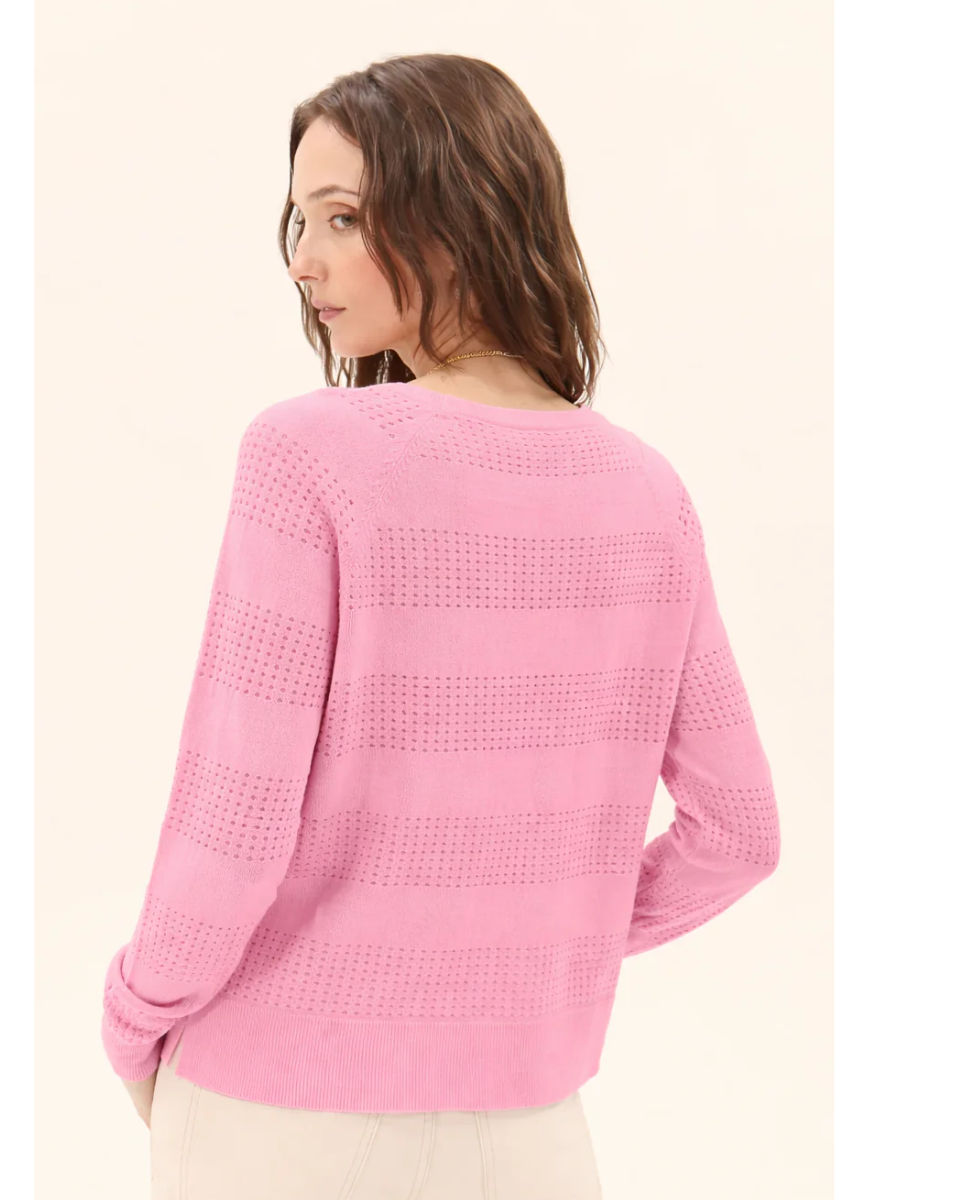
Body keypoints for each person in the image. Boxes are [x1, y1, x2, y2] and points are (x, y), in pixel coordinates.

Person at [101, 52, 780, 1200]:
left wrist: (135, 1016)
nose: (302, 258)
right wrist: (519, 946)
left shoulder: (309, 455)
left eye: (344, 216)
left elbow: (234, 824)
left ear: (459, 216)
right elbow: (741, 832)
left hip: (277, 1114)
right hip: (531, 1131)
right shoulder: (647, 492)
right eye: (299, 219)